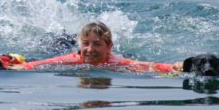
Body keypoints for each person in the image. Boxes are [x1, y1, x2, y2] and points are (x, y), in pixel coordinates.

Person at [13, 21, 176, 73]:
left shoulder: (116, 61)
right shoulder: (72, 59)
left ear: (109, 46)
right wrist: (16, 66)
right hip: (62, 47)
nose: (90, 50)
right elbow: (36, 65)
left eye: (97, 44)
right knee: (55, 43)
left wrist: (177, 67)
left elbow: (150, 66)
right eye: (86, 44)